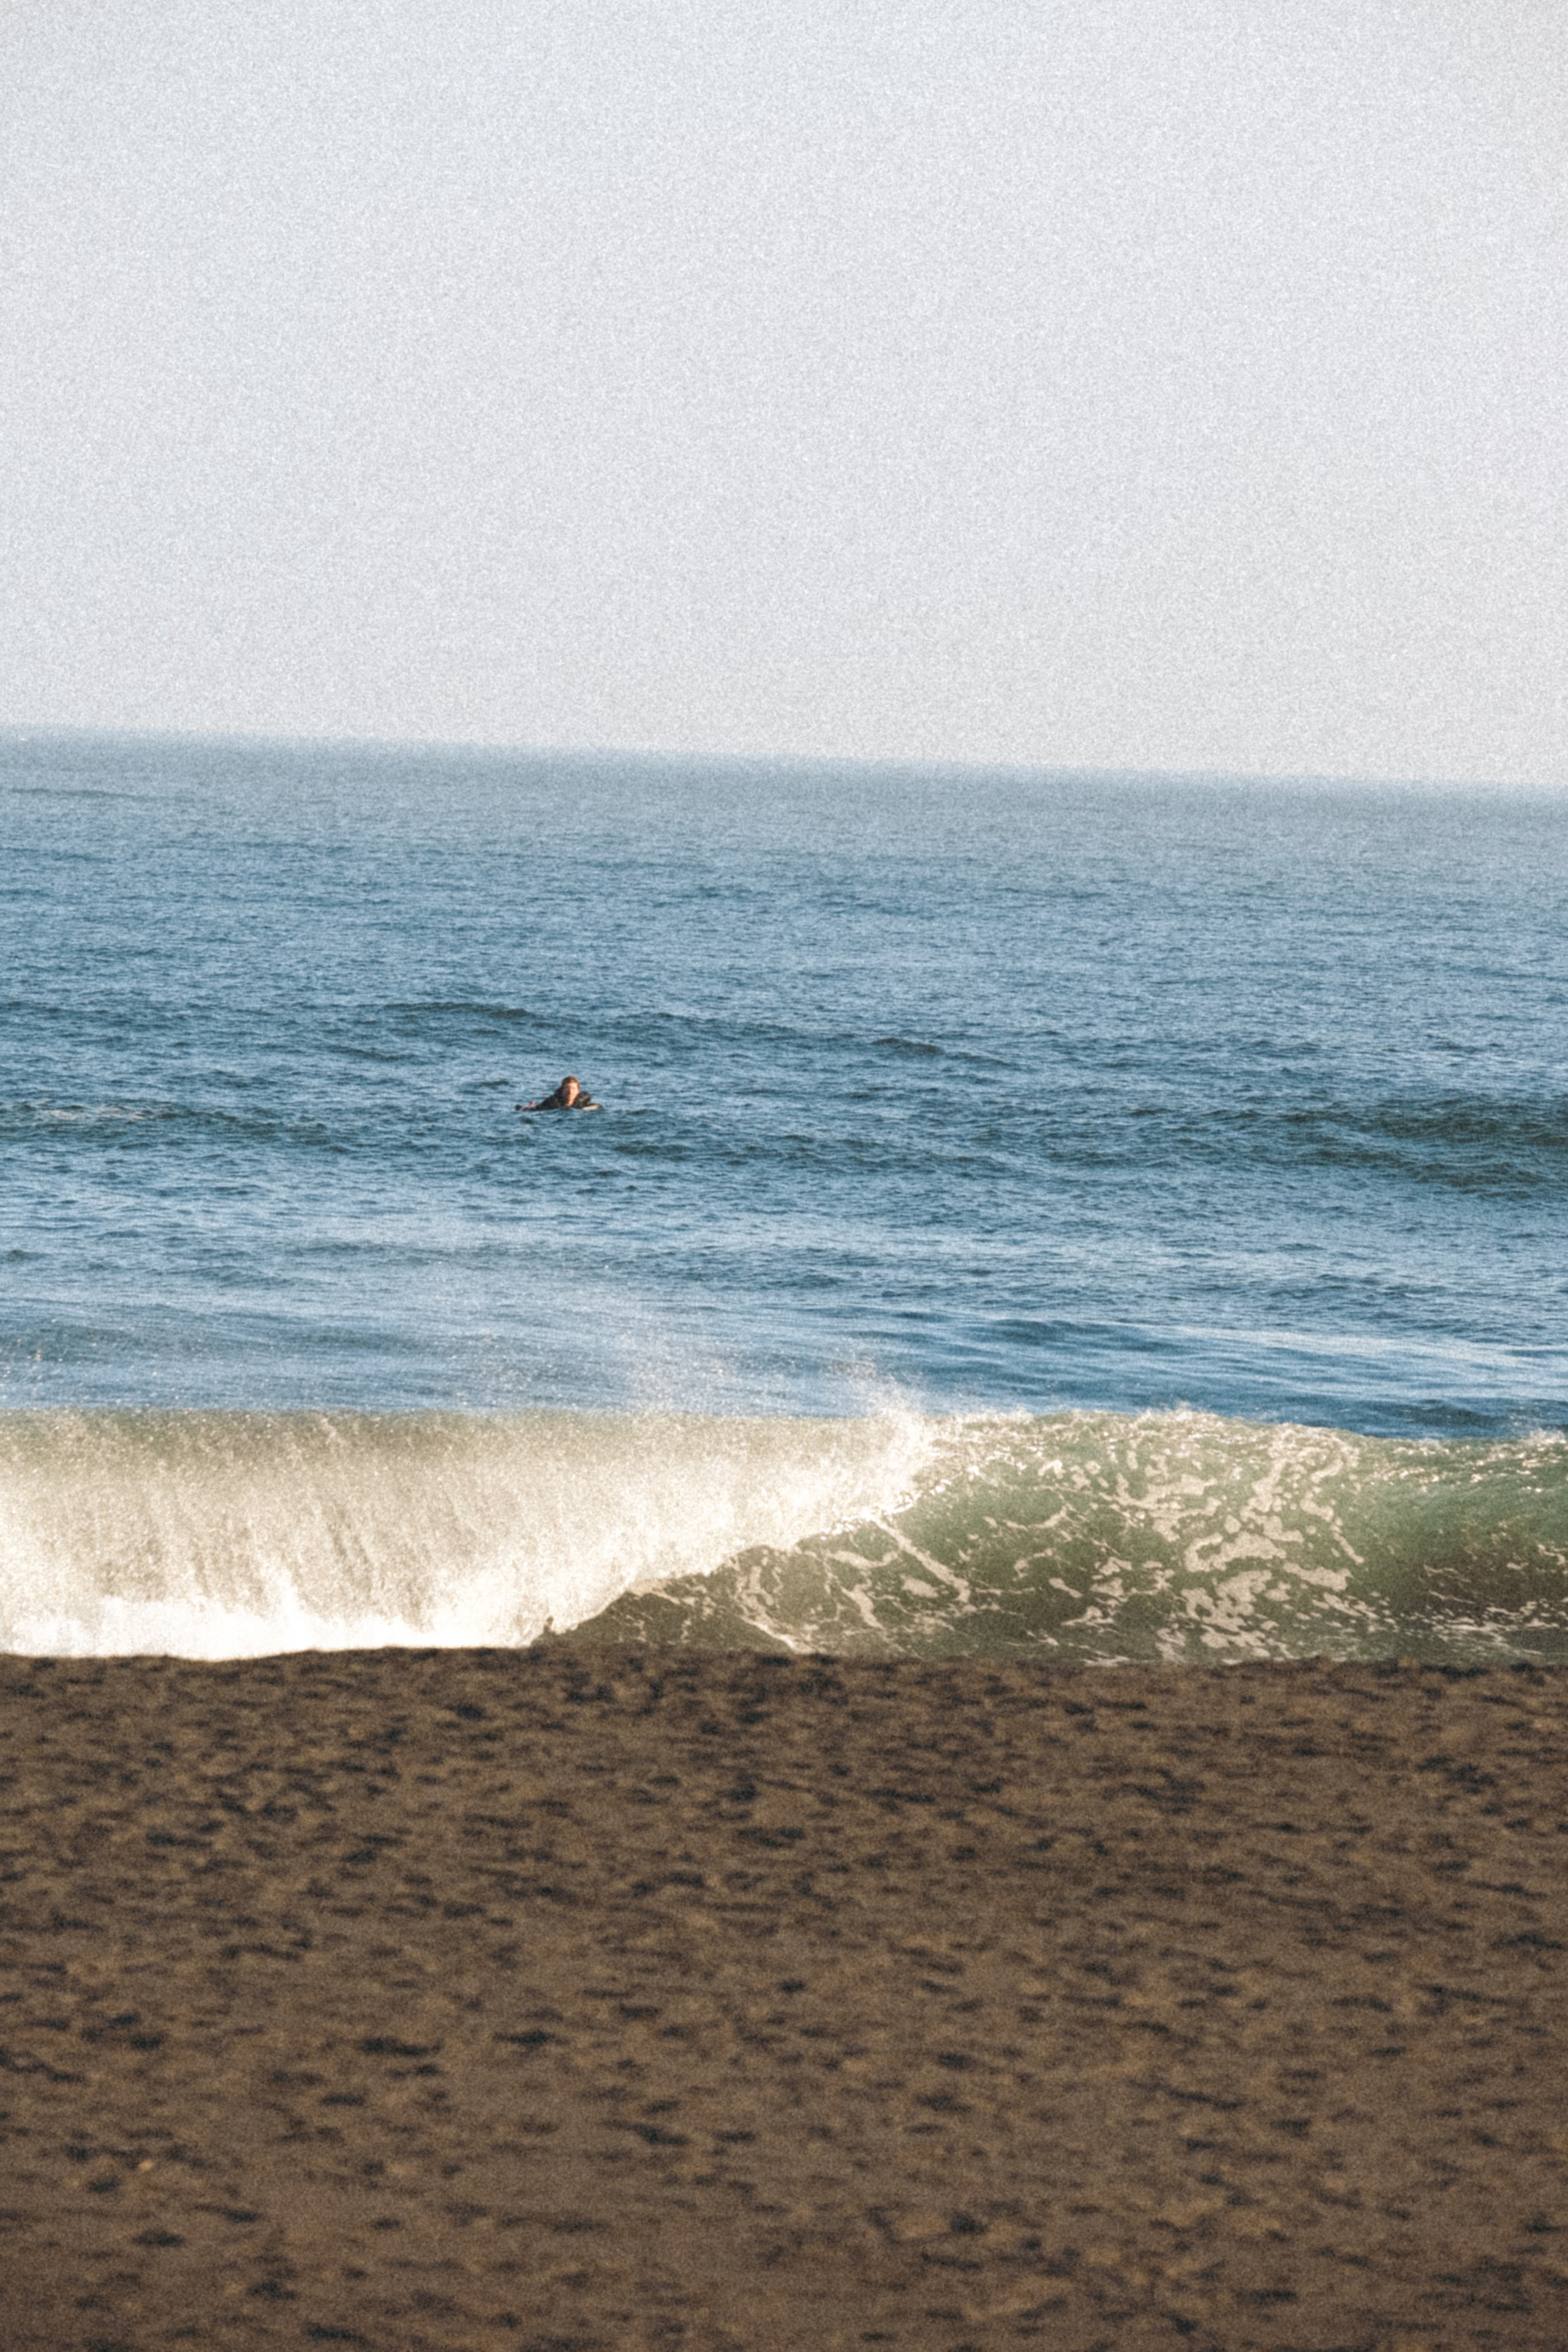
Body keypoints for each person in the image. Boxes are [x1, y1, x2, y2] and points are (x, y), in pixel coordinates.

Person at [517, 1074, 599, 1111]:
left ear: (578, 1090)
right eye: (567, 1089)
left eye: (573, 1089)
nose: (570, 1092)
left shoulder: (584, 1105)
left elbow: (598, 1107)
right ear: (562, 1090)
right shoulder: (552, 1102)